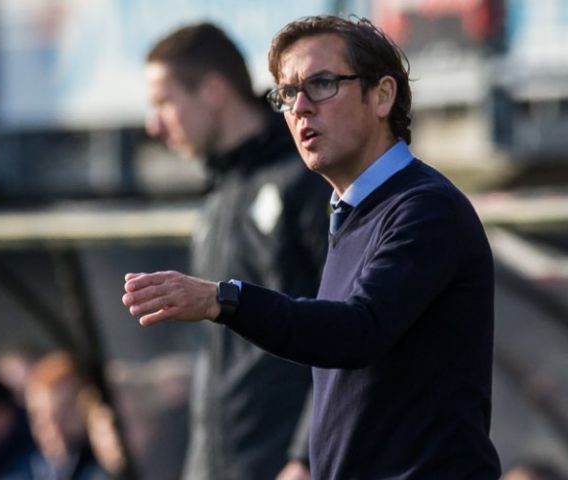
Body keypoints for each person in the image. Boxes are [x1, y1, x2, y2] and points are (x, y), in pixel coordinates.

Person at [124, 15, 502, 479]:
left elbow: (356, 330)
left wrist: (223, 300)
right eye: (287, 93)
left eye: (322, 84)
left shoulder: (425, 208)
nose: (300, 107)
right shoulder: (349, 211)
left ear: (382, 95)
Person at [143, 23, 331, 480]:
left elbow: (345, 326)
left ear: (212, 91)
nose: (154, 125)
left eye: (164, 102)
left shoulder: (308, 181)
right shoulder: (217, 196)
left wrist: (305, 456)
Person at [24, 351, 109, 480]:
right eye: (37, 416)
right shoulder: (30, 470)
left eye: (65, 413)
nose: (52, 429)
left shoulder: (106, 467)